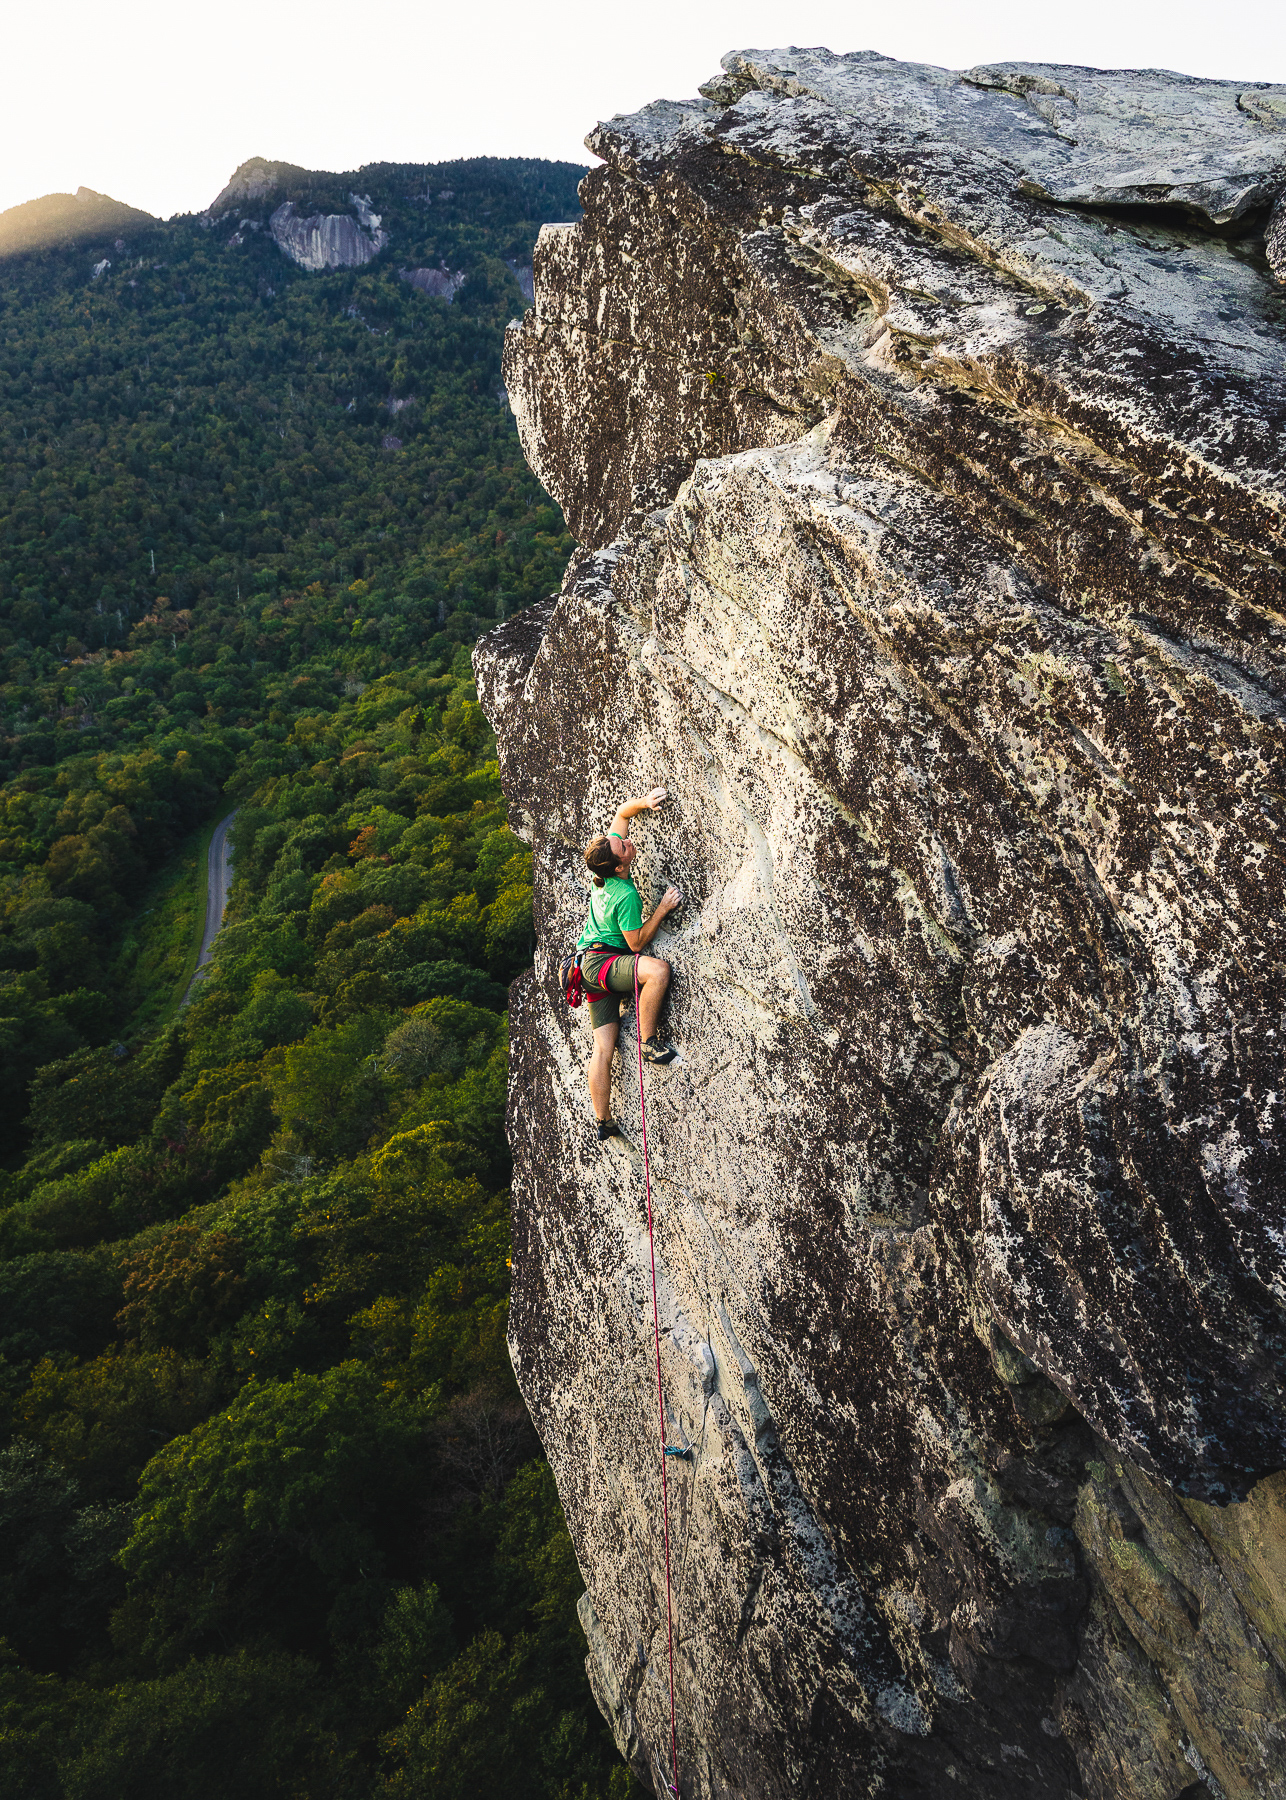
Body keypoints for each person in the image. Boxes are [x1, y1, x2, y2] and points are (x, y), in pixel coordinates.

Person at [577, 789, 682, 1142]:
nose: (626, 842)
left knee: (604, 1049)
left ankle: (603, 1120)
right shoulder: (624, 895)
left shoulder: (604, 871)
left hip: (587, 968)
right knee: (658, 971)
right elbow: (636, 944)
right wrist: (662, 910)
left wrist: (644, 803)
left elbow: (623, 814)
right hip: (605, 964)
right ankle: (649, 1042)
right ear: (620, 866)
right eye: (623, 847)